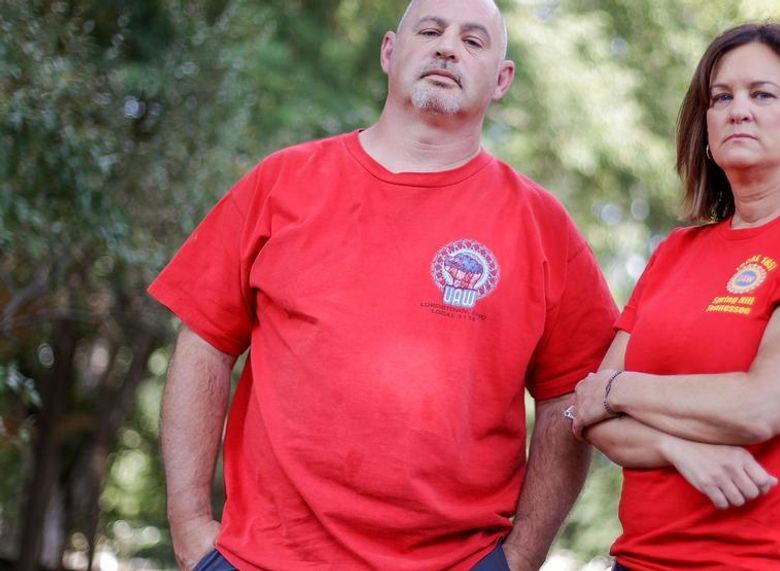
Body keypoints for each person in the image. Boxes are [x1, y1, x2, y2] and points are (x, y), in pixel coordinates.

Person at [150, 1, 618, 569]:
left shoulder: (540, 225)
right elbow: (205, 340)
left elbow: (571, 397)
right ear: (390, 52)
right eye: (430, 30)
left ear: (502, 79)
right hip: (261, 559)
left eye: (473, 41)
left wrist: (522, 555)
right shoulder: (281, 184)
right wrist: (191, 528)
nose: (448, 47)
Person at [568, 22, 780, 570]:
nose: (737, 110)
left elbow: (762, 406)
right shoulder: (676, 251)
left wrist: (618, 388)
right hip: (637, 561)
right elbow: (592, 417)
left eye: (761, 94)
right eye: (721, 97)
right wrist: (681, 447)